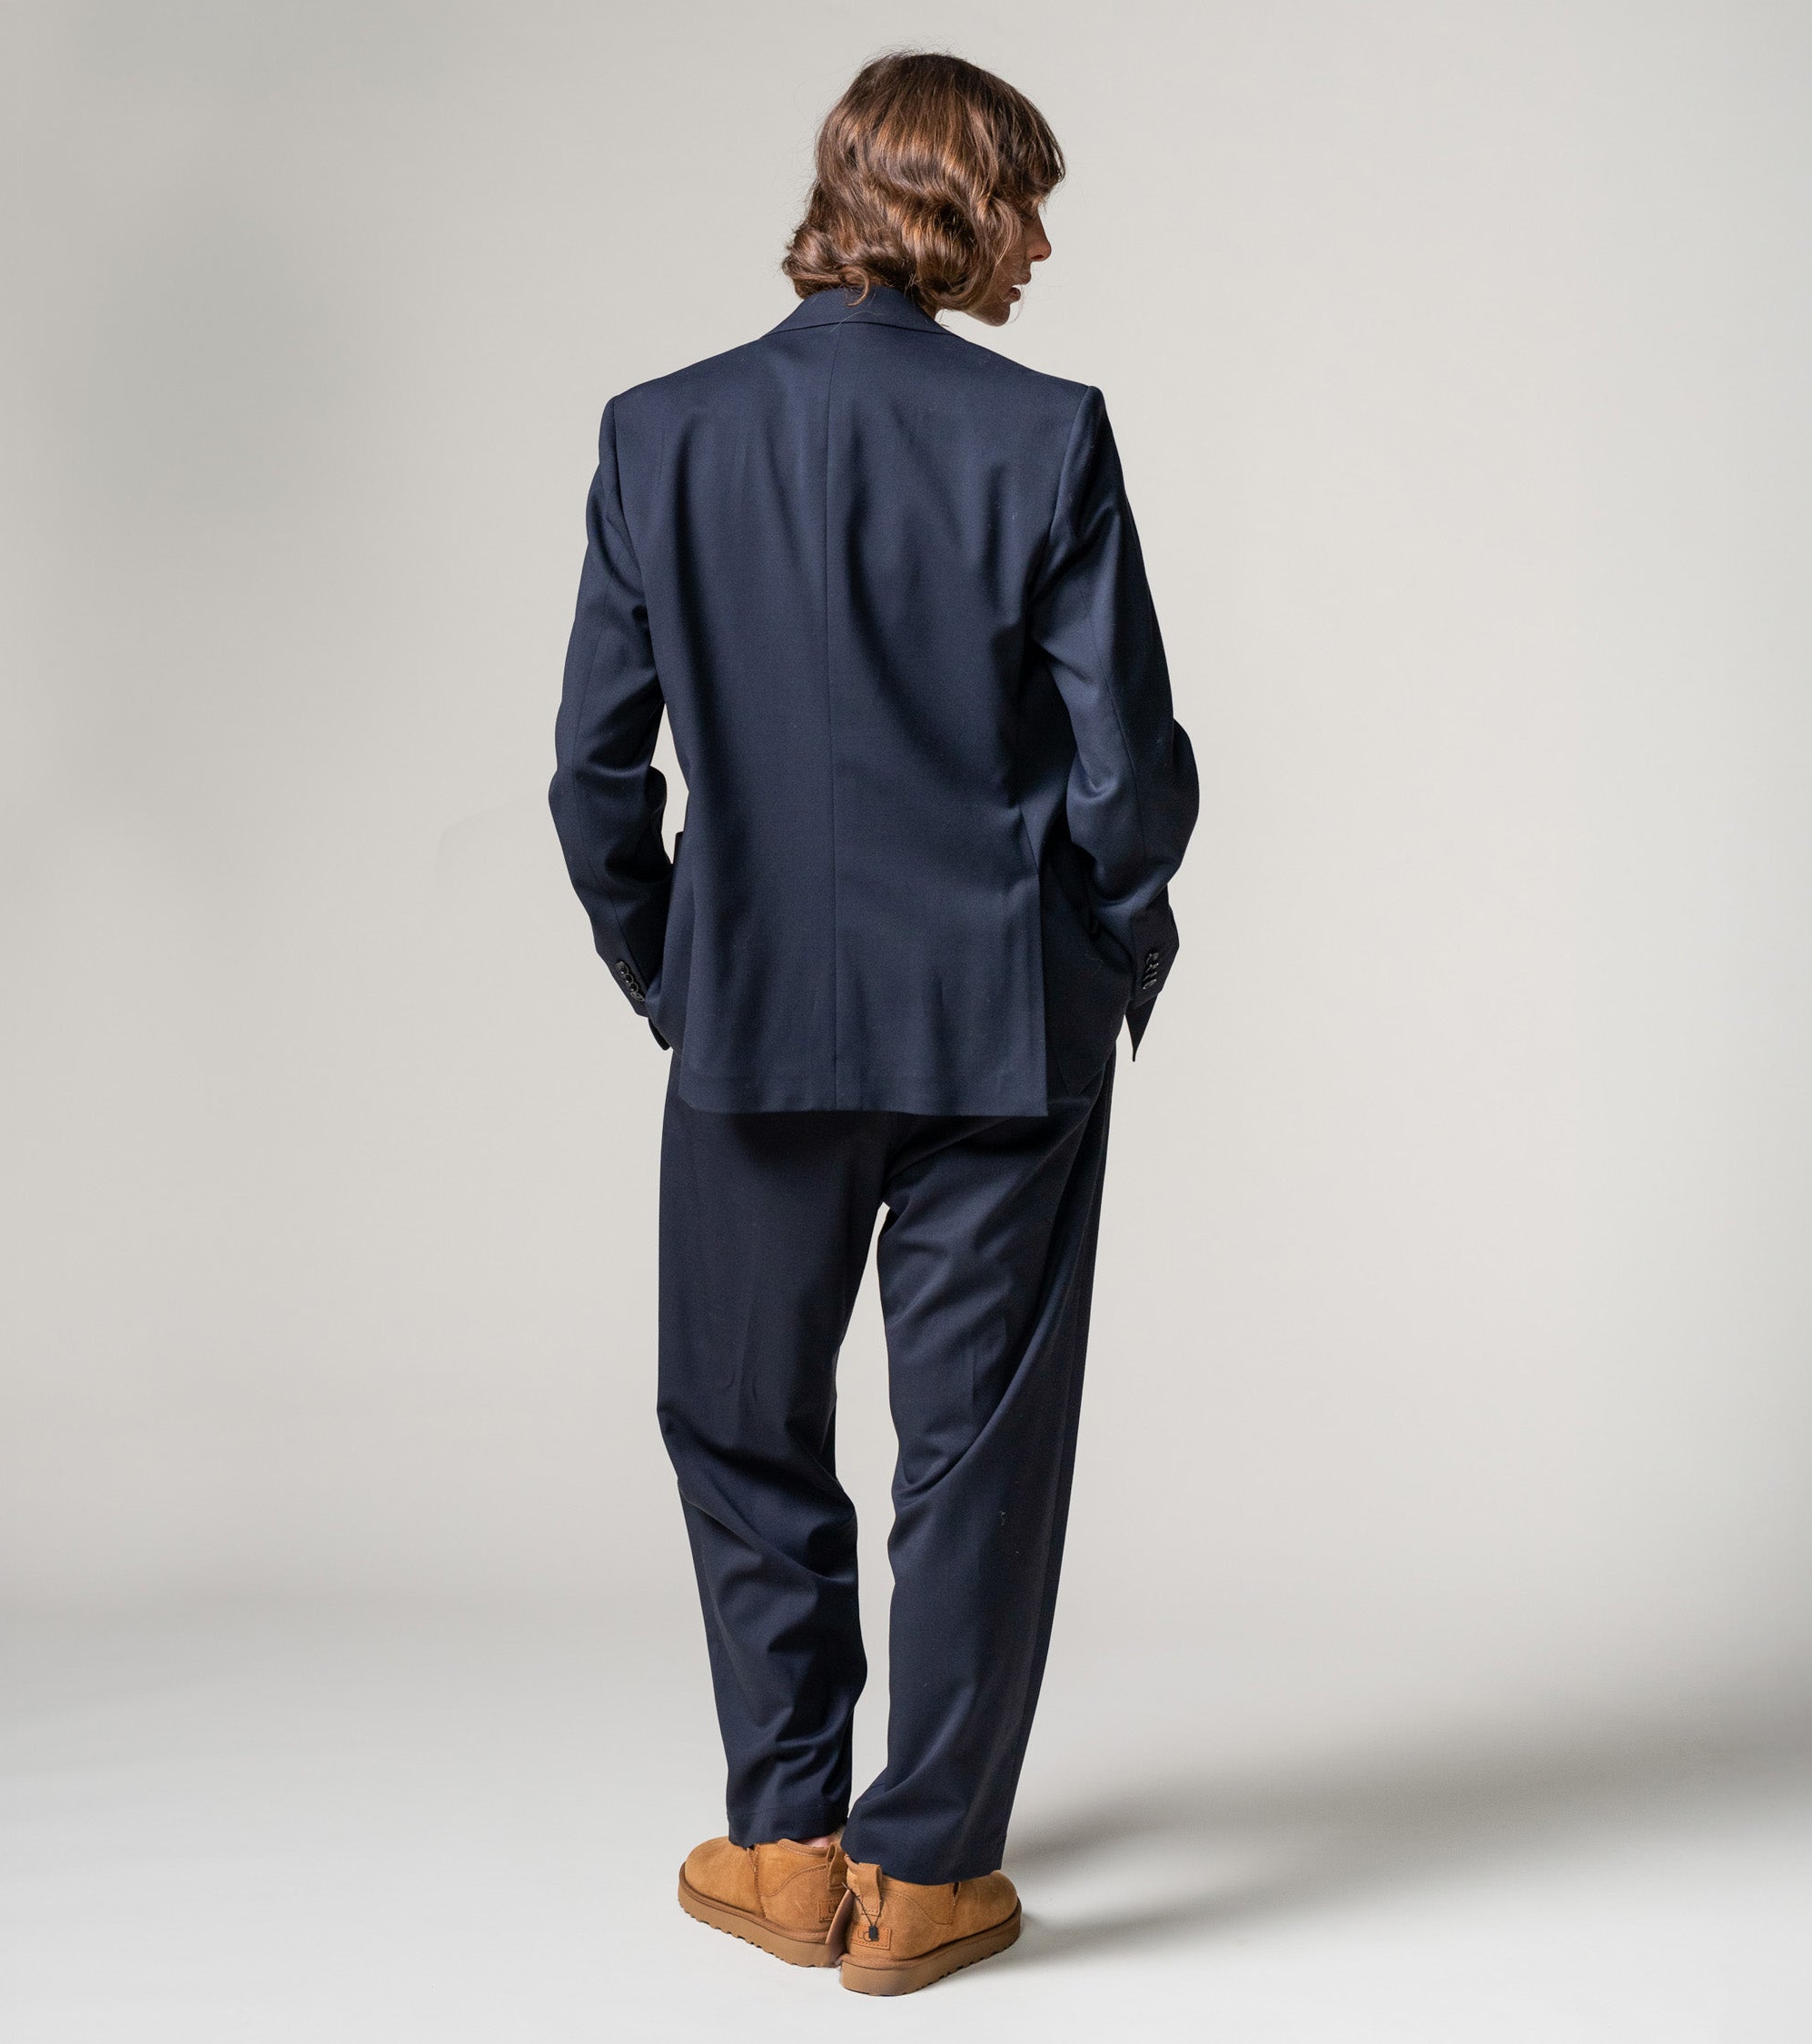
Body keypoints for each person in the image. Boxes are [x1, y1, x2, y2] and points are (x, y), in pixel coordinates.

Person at [549, 50, 1197, 1995]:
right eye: (1027, 201)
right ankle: (922, 1880)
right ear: (950, 206)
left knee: (740, 1424)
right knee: (974, 1453)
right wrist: (1101, 956)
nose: (1044, 241)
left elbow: (594, 774)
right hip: (1002, 1030)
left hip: (750, 1025)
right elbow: (1132, 776)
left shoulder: (658, 434)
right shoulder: (1046, 435)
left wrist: (677, 964)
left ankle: (781, 1839)